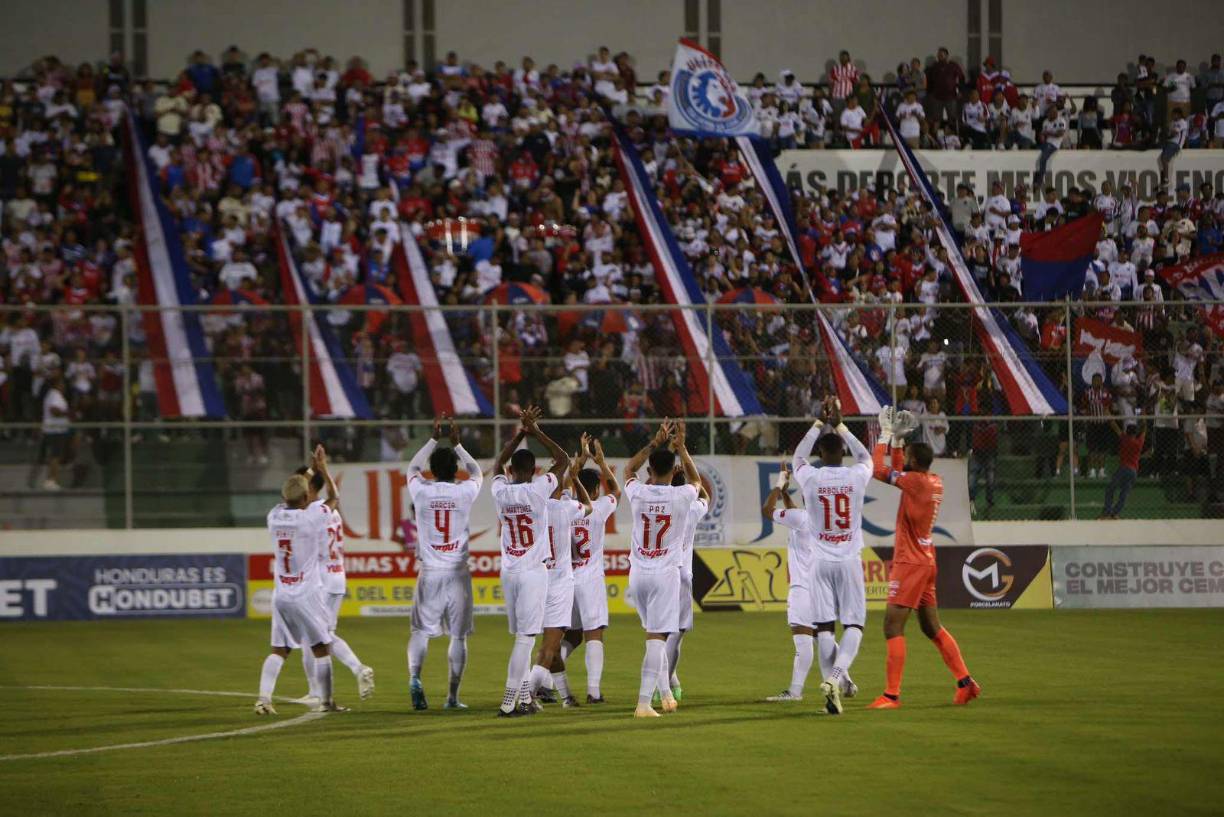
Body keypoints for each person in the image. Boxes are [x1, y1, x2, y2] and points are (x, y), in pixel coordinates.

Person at [867, 407, 981, 709]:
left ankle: (891, 695)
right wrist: (900, 444)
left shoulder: (915, 482)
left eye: (907, 458)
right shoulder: (932, 480)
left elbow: (877, 470)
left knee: (892, 626)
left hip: (910, 562)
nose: (904, 461)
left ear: (915, 463)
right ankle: (965, 682)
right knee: (931, 627)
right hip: (927, 559)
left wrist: (886, 436)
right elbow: (900, 471)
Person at [783, 399, 871, 713]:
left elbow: (797, 456)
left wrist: (819, 423)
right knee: (854, 625)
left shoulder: (811, 477)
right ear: (842, 452)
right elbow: (866, 455)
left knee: (823, 630)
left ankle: (830, 697)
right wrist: (842, 425)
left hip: (819, 564)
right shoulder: (857, 475)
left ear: (820, 453)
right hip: (848, 560)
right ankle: (836, 677)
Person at [489, 407, 570, 717]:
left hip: (509, 572)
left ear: (511, 471)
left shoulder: (500, 491)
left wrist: (518, 435)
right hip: (534, 573)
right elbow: (562, 459)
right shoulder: (539, 489)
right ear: (535, 470)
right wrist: (535, 431)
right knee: (525, 640)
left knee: (520, 637)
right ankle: (508, 702)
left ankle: (524, 698)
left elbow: (496, 463)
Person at [255, 450, 347, 715]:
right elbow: (334, 497)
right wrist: (322, 468)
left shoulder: (274, 515)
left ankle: (263, 699)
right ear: (307, 497)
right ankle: (327, 702)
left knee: (279, 650)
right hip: (307, 594)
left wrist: (309, 469)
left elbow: (292, 491)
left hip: (282, 594)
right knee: (321, 648)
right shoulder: (312, 516)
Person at [404, 415, 484, 710]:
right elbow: (477, 472)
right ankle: (452, 697)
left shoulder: (421, 491)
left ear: (433, 470)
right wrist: (458, 444)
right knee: (459, 637)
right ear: (454, 469)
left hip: (430, 572)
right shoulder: (465, 491)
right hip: (457, 573)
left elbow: (412, 468)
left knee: (420, 632)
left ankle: (415, 678)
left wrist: (433, 439)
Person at [623, 420, 700, 718]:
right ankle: (644, 703)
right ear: (672, 471)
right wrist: (682, 449)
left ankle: (666, 694)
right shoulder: (681, 496)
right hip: (665, 574)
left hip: (638, 574)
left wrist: (654, 444)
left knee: (654, 633)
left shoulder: (638, 492)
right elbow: (697, 482)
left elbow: (628, 469)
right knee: (657, 638)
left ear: (650, 469)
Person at [292, 451, 374, 708]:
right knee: (313, 636)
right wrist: (322, 469)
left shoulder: (310, 512)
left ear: (308, 489)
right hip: (337, 576)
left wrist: (315, 471)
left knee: (319, 636)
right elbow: (332, 494)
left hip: (321, 580)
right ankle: (315, 690)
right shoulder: (331, 510)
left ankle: (357, 669)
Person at [562, 436, 621, 703]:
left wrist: (579, 462)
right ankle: (593, 692)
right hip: (590, 579)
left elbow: (565, 484)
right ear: (596, 489)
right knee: (593, 633)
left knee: (571, 635)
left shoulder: (566, 506)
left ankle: (542, 680)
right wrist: (601, 462)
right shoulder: (599, 507)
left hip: (566, 579)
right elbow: (617, 491)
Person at [529, 453, 590, 708]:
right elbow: (588, 506)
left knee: (548, 647)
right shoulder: (566, 508)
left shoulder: (532, 508)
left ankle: (566, 697)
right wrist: (576, 477)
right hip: (559, 585)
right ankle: (525, 697)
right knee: (548, 648)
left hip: (534, 582)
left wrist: (567, 476)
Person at [657, 427, 709, 706]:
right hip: (681, 575)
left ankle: (670, 681)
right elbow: (703, 491)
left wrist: (665, 449)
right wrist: (683, 450)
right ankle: (665, 684)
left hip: (656, 572)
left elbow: (654, 479)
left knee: (658, 633)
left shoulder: (654, 502)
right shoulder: (691, 508)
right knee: (675, 636)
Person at [1102, 420, 1146, 519]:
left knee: (1110, 489)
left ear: (1127, 432)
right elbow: (1143, 433)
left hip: (1123, 468)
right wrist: (1144, 422)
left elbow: (1115, 428)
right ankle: (1115, 513)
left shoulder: (1124, 439)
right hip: (1133, 470)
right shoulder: (1138, 443)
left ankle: (1107, 512)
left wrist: (1111, 419)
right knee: (1124, 493)